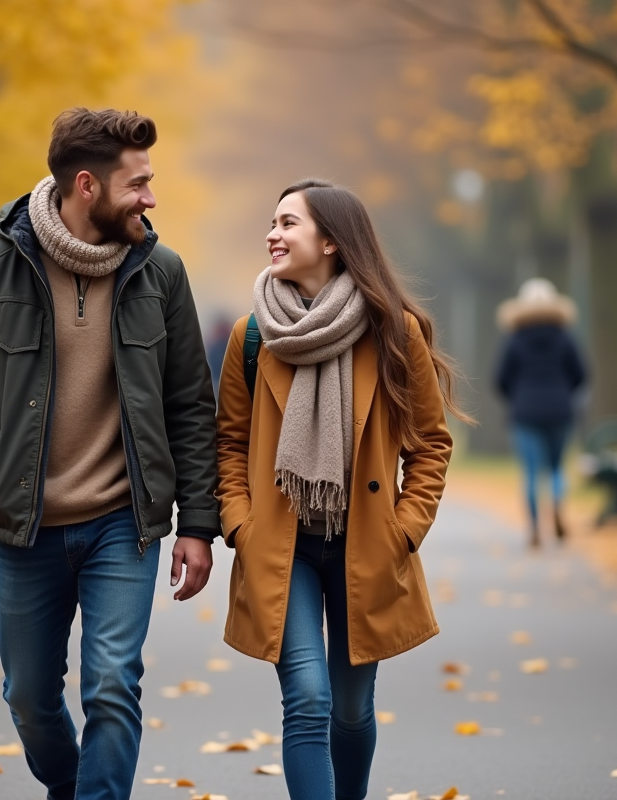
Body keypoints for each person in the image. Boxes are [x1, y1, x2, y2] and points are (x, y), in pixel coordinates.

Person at [0, 108, 220, 800]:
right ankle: (73, 783)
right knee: (28, 695)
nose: (150, 196)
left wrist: (198, 525)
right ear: (87, 186)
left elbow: (189, 406)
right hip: (27, 525)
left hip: (125, 521)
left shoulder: (162, 274)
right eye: (137, 183)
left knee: (113, 681)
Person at [215, 179, 463, 800]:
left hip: (366, 544)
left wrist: (404, 529)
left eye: (287, 223)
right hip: (282, 545)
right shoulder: (252, 336)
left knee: (350, 710)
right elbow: (228, 443)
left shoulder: (394, 332)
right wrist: (239, 523)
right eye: (272, 223)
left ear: (330, 240)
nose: (273, 234)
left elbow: (429, 443)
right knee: (307, 698)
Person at [494, 277, 586, 547]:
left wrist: (517, 397)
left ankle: (535, 527)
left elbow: (500, 378)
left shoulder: (514, 340)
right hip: (560, 410)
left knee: (532, 472)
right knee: (557, 468)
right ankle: (557, 503)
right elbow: (581, 375)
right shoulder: (565, 338)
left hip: (525, 412)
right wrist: (563, 393)